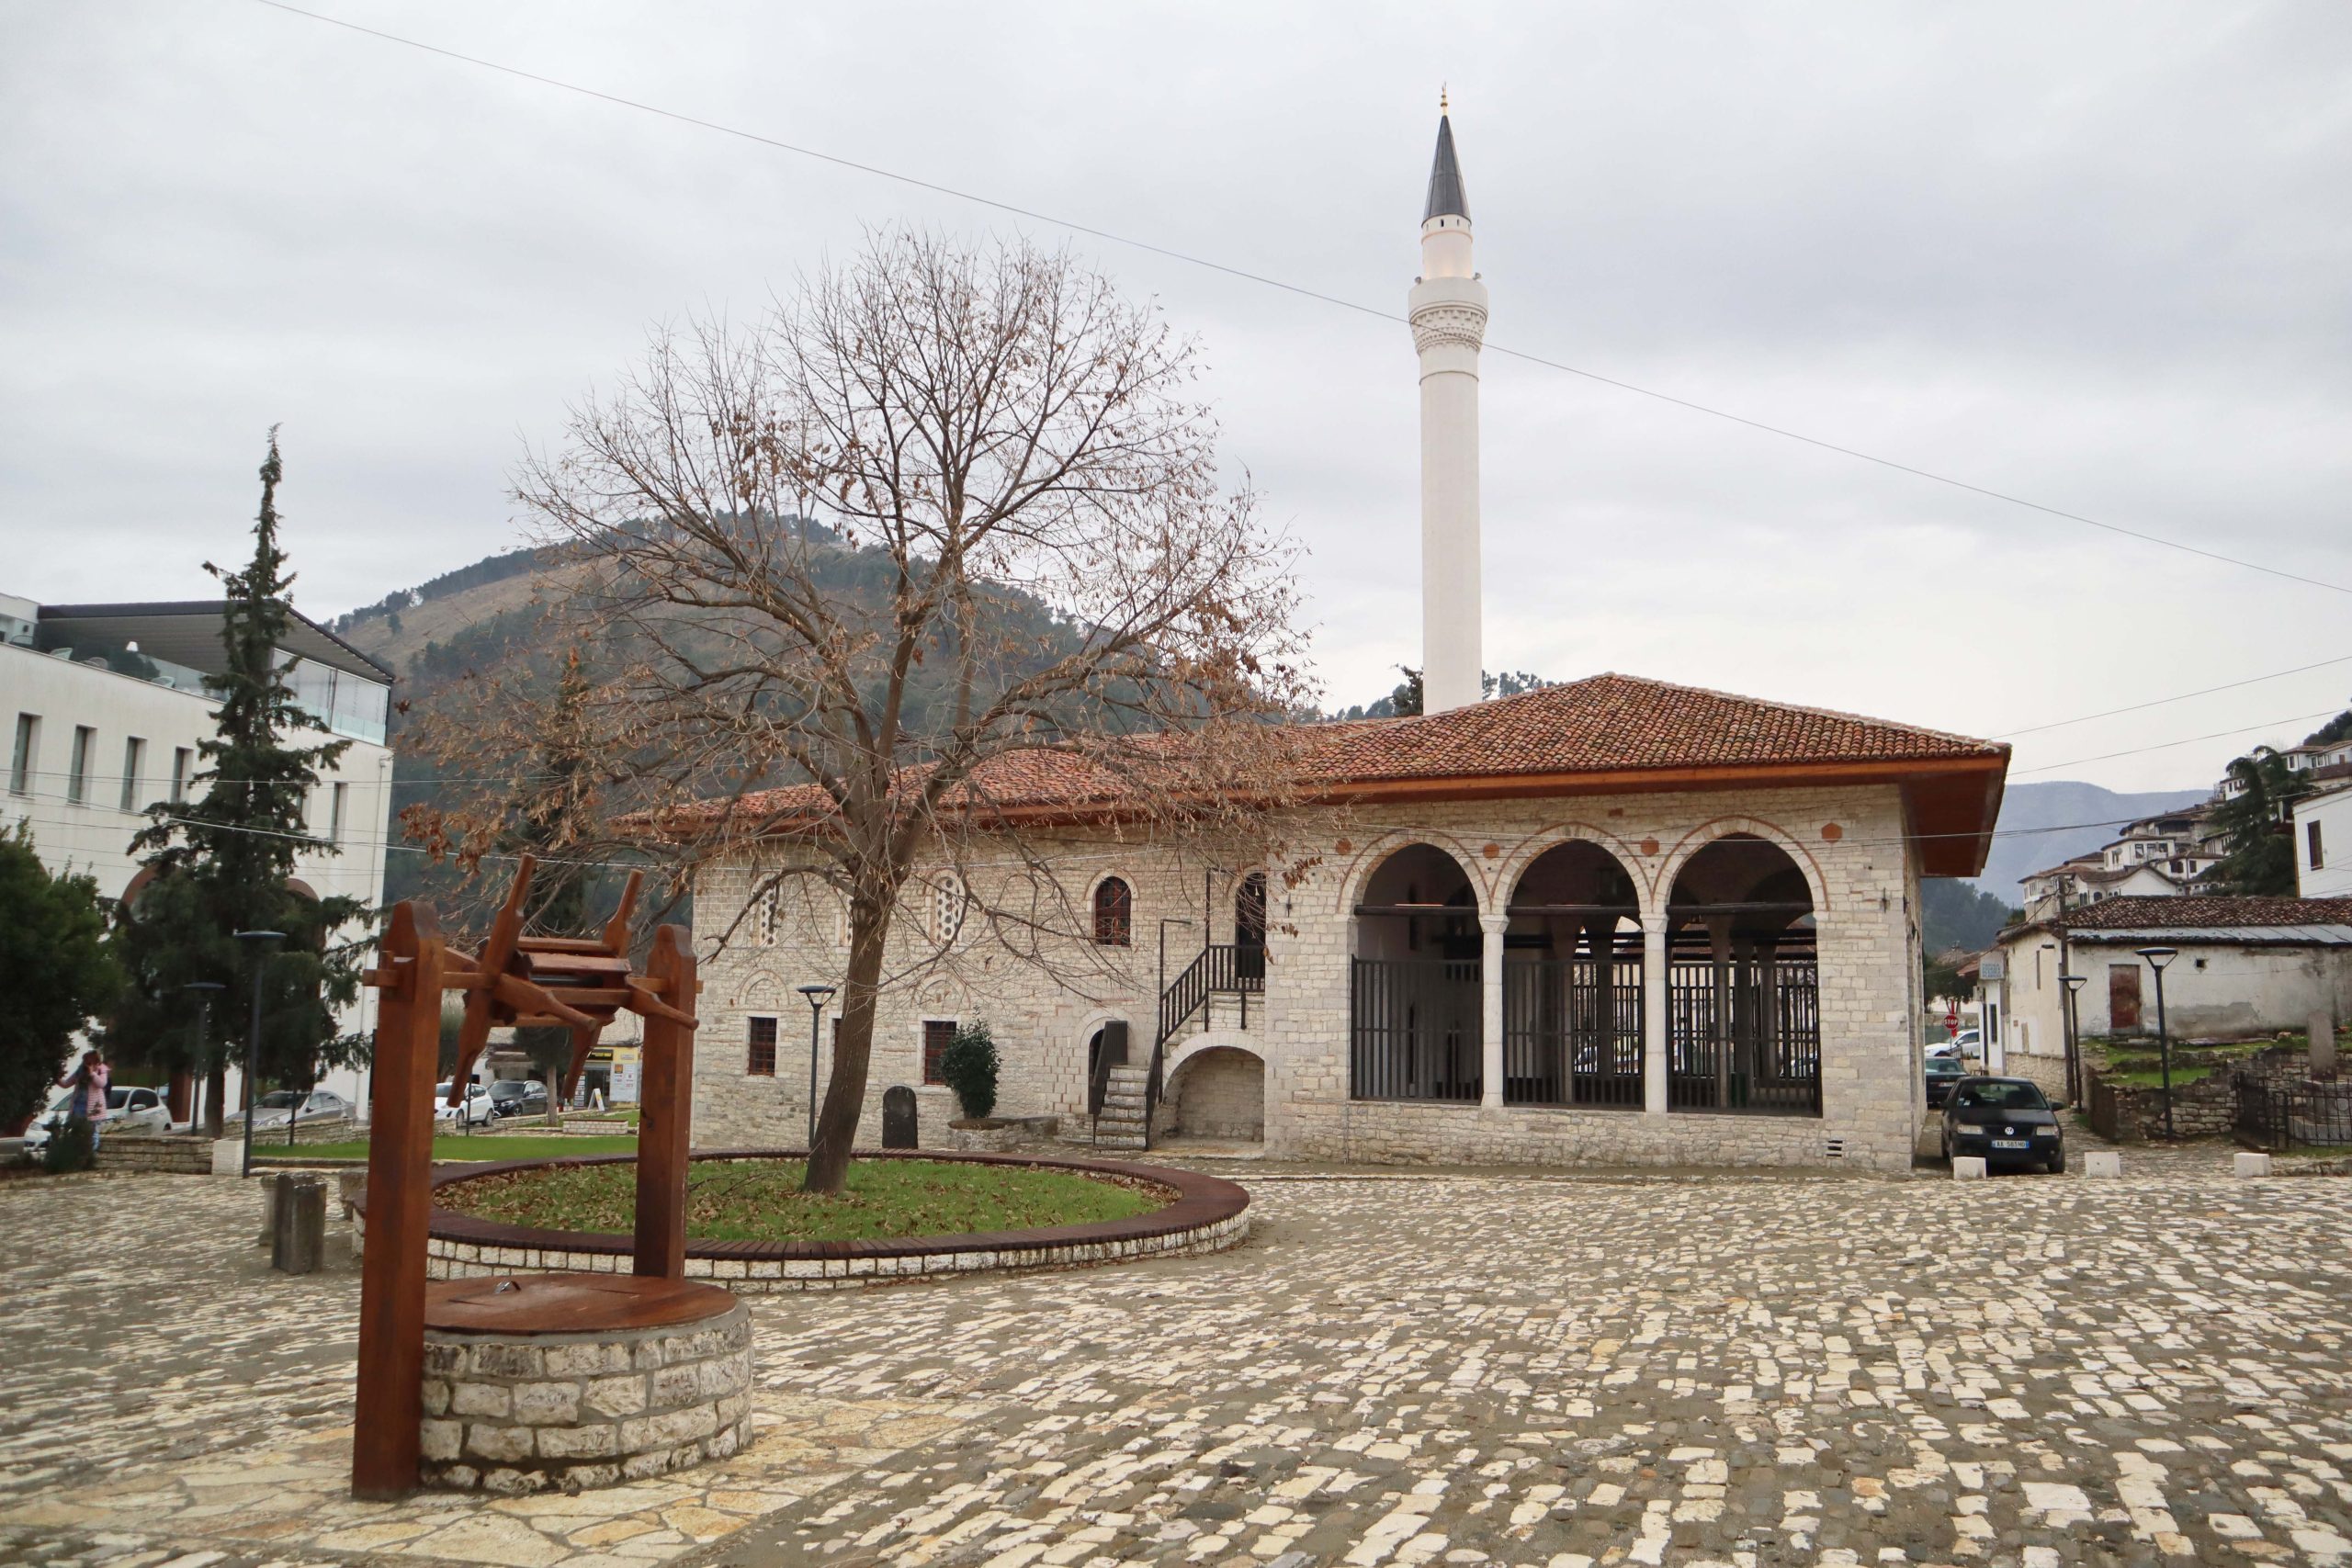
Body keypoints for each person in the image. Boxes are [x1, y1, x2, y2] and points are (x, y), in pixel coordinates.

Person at [56, 1048, 111, 1153]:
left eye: (90, 1059)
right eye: (86, 1059)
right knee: (76, 1130)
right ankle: (77, 1154)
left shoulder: (101, 1069)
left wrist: (92, 1073)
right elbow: (66, 1083)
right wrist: (56, 1079)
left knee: (93, 1133)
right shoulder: (80, 1070)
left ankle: (91, 1156)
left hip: (94, 1107)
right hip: (78, 1105)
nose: (87, 1062)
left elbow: (102, 1084)